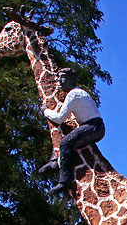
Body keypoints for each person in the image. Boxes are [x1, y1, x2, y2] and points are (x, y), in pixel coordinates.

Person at [39, 68, 106, 196]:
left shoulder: (74, 94)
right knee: (65, 133)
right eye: (58, 78)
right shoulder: (80, 93)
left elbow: (59, 119)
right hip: (93, 126)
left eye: (63, 77)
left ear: (71, 79)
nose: (59, 81)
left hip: (93, 126)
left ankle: (65, 182)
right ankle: (54, 161)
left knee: (65, 143)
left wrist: (45, 111)